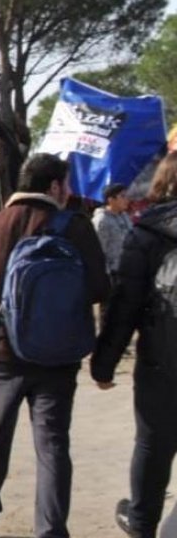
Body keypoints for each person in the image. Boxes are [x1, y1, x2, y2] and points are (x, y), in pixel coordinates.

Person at [0, 153, 110, 538]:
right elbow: (99, 288)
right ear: (54, 187)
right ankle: (51, 530)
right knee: (53, 445)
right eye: (68, 184)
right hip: (59, 353)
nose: (70, 191)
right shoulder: (74, 226)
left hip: (2, 350)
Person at [93, 152, 177, 538]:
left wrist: (104, 363)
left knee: (152, 445)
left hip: (162, 361)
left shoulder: (145, 233)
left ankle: (142, 524)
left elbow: (124, 305)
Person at [94, 182, 133, 277]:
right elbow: (99, 251)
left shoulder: (125, 216)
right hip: (113, 273)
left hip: (129, 268)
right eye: (122, 196)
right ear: (111, 200)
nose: (126, 200)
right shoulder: (102, 220)